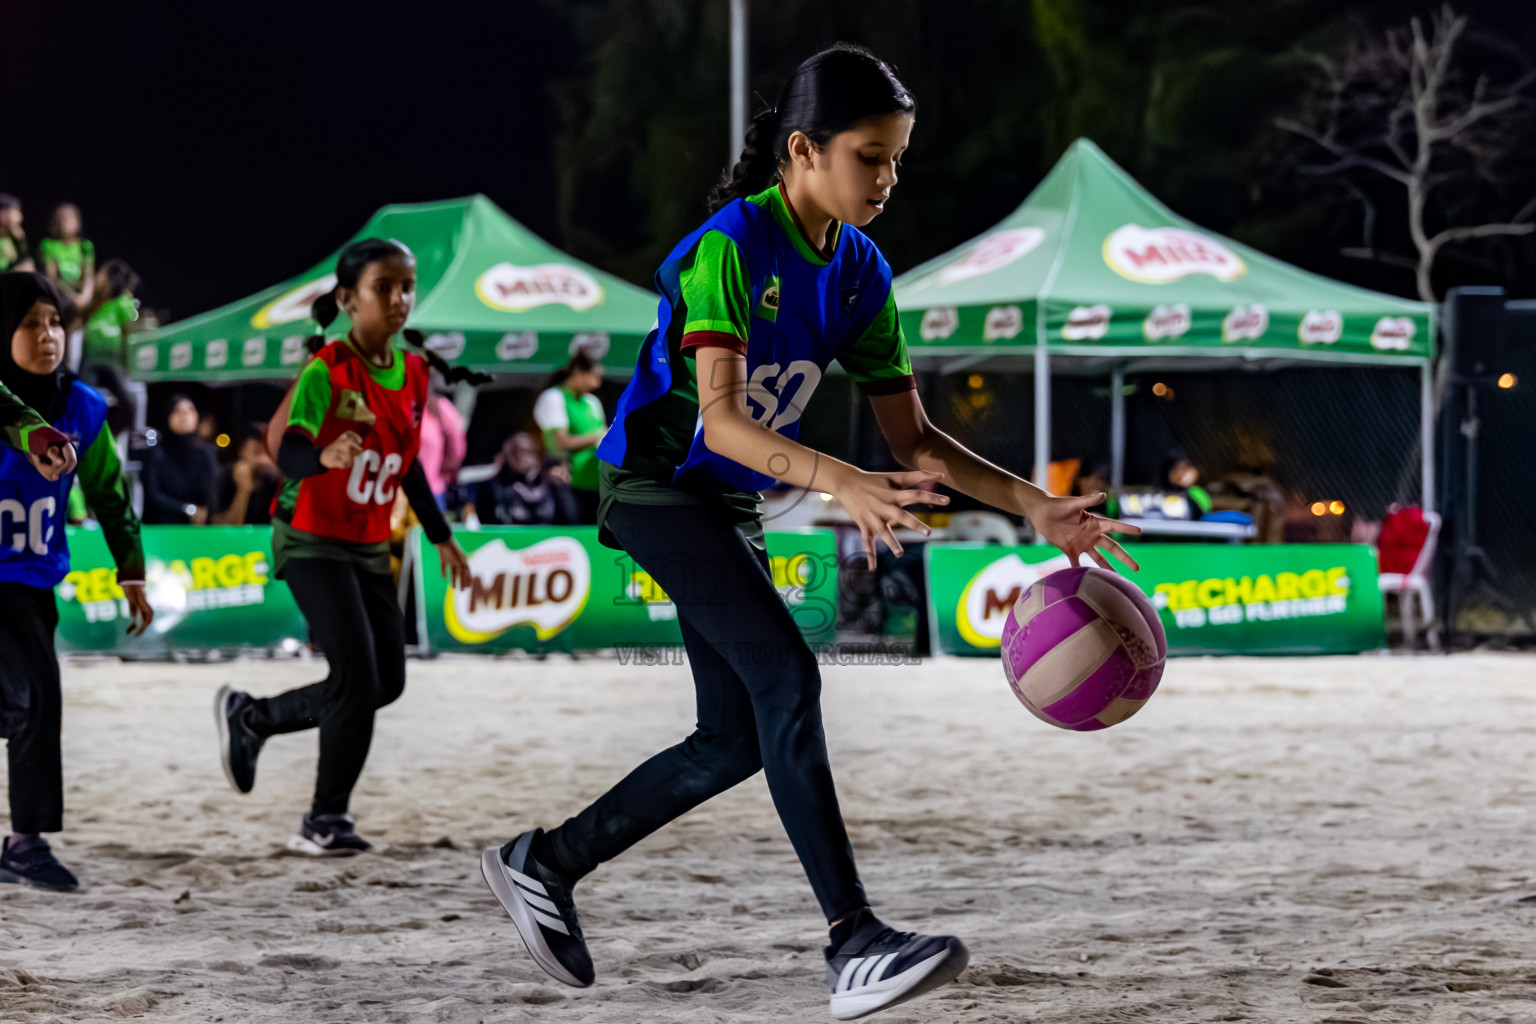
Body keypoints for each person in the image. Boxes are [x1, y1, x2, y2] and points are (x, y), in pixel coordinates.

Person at [478, 45, 1138, 1021]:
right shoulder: (729, 249)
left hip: (724, 501)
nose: (888, 177)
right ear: (802, 150)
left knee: (732, 739)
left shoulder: (861, 271)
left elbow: (916, 441)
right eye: (870, 156)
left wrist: (1034, 505)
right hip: (657, 487)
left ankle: (546, 862)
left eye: (898, 158)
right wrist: (840, 481)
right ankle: (854, 939)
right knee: (789, 679)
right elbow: (721, 424)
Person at [212, 238, 483, 856]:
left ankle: (254, 717)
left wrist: (442, 537)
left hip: (366, 542)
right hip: (311, 537)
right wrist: (323, 455)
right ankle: (325, 819)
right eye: (384, 287)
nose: (400, 299)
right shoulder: (328, 369)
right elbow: (287, 451)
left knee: (386, 682)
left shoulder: (415, 373)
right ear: (347, 299)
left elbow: (408, 464)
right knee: (358, 680)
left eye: (406, 287)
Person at [0, 272, 151, 892]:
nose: (48, 335)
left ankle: (23, 842)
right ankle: (25, 842)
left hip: (31, 578)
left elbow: (109, 495)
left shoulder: (83, 406)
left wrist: (131, 567)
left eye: (56, 322)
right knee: (33, 698)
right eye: (30, 323)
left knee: (30, 702)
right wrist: (32, 434)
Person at [533, 351, 606, 523]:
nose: (598, 382)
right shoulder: (554, 397)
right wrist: (599, 436)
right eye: (595, 376)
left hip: (596, 484)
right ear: (579, 373)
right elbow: (560, 443)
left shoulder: (593, 402)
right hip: (565, 483)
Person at [139, 394, 218, 524]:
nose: (184, 415)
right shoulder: (156, 452)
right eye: (177, 410)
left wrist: (203, 512)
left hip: (198, 526)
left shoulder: (206, 452)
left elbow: (211, 491)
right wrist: (186, 509)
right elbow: (152, 494)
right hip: (162, 525)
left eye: (190, 410)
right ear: (167, 417)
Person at [475, 432, 569, 526]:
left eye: (531, 452)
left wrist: (561, 488)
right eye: (521, 452)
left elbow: (570, 519)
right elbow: (487, 524)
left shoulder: (548, 483)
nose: (529, 459)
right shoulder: (495, 487)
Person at [213, 423, 280, 525]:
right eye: (256, 452)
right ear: (242, 451)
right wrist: (243, 490)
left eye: (266, 453)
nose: (263, 460)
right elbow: (224, 526)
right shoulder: (225, 475)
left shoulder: (270, 478)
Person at [37, 204, 94, 322]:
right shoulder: (49, 245)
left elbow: (89, 276)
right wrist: (72, 297)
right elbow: (52, 279)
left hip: (81, 297)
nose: (65, 221)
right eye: (62, 218)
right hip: (61, 296)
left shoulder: (85, 246)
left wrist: (84, 297)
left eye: (70, 217)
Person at [416, 387, 466, 510]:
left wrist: (448, 468)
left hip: (430, 489)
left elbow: (456, 444)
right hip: (405, 491)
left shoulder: (438, 406)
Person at [0, 195, 33, 273]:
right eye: (15, 213)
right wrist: (15, 271)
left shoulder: (8, 240)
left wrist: (21, 241)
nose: (20, 218)